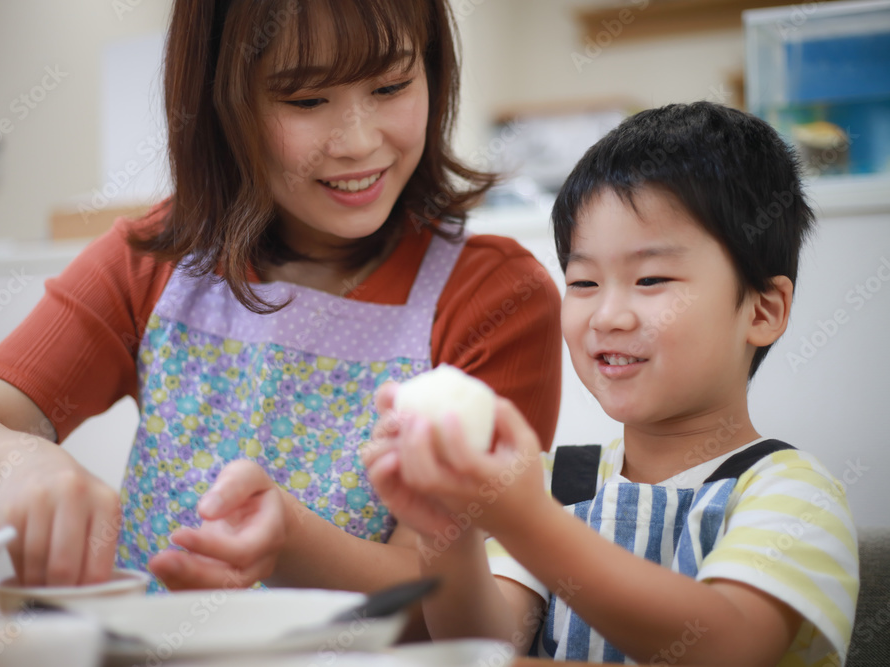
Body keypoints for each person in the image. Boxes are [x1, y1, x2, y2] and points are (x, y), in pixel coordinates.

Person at [0, 0, 562, 625]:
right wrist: (17, 465)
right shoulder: (155, 261)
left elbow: (448, 613)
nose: (359, 141)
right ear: (221, 103)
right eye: (306, 99)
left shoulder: (494, 298)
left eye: (391, 86)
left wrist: (292, 542)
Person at [363, 101, 860, 665]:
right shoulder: (556, 482)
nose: (607, 316)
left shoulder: (792, 493)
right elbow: (485, 649)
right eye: (584, 282)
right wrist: (445, 533)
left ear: (763, 310)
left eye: (650, 279)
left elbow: (726, 647)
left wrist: (528, 521)